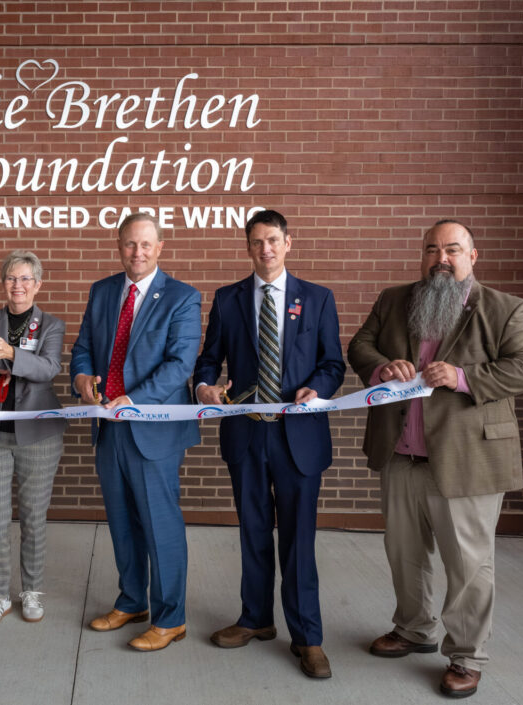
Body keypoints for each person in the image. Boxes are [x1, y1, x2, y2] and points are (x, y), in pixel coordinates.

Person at [347, 219, 523, 698]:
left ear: (472, 256)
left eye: (452, 249)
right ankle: (414, 628)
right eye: (432, 249)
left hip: (467, 459)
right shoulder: (395, 299)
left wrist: (460, 377)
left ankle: (466, 655)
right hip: (400, 454)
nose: (441, 258)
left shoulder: (504, 308)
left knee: (469, 565)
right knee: (404, 554)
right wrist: (380, 367)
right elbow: (360, 346)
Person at [193, 209, 345, 679]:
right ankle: (256, 619)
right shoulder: (227, 299)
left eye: (274, 240)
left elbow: (333, 363)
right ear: (248, 247)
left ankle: (308, 638)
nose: (266, 249)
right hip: (246, 432)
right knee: (253, 531)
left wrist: (316, 389)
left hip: (297, 436)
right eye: (257, 241)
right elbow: (208, 359)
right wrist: (204, 388)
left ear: (289, 242)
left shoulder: (317, 298)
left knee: (298, 540)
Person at [70, 212, 201, 652]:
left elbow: (180, 365)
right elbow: (85, 345)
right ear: (119, 246)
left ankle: (171, 618)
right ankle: (132, 601)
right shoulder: (103, 290)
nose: (137, 253)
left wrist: (134, 399)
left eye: (146, 245)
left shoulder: (182, 297)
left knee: (160, 524)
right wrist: (82, 378)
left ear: (160, 247)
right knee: (123, 523)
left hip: (153, 429)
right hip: (109, 427)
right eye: (129, 244)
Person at [0, 250, 68, 629]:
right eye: (11, 278)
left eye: (25, 279)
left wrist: (11, 355)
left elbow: (49, 369)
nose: (17, 285)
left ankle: (32, 590)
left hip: (38, 436)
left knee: (34, 518)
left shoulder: (52, 325)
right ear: (3, 283)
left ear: (38, 285)